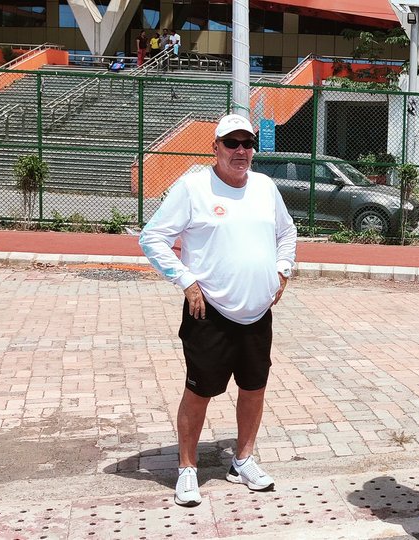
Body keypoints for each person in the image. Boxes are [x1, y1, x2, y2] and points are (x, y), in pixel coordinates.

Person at [138, 114, 297, 508]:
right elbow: (152, 237)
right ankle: (187, 469)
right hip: (210, 313)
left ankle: (242, 460)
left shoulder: (264, 187)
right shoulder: (193, 188)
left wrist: (283, 271)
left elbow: (287, 231)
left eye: (247, 144)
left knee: (254, 388)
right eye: (232, 144)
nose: (241, 152)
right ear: (216, 148)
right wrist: (186, 280)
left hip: (258, 313)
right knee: (200, 392)